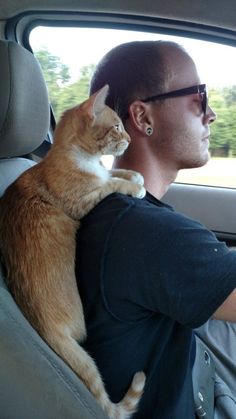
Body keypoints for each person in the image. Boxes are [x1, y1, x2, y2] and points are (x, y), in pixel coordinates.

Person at [75, 40, 236, 419]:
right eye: (199, 96)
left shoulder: (119, 210)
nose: (210, 113)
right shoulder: (142, 230)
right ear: (142, 117)